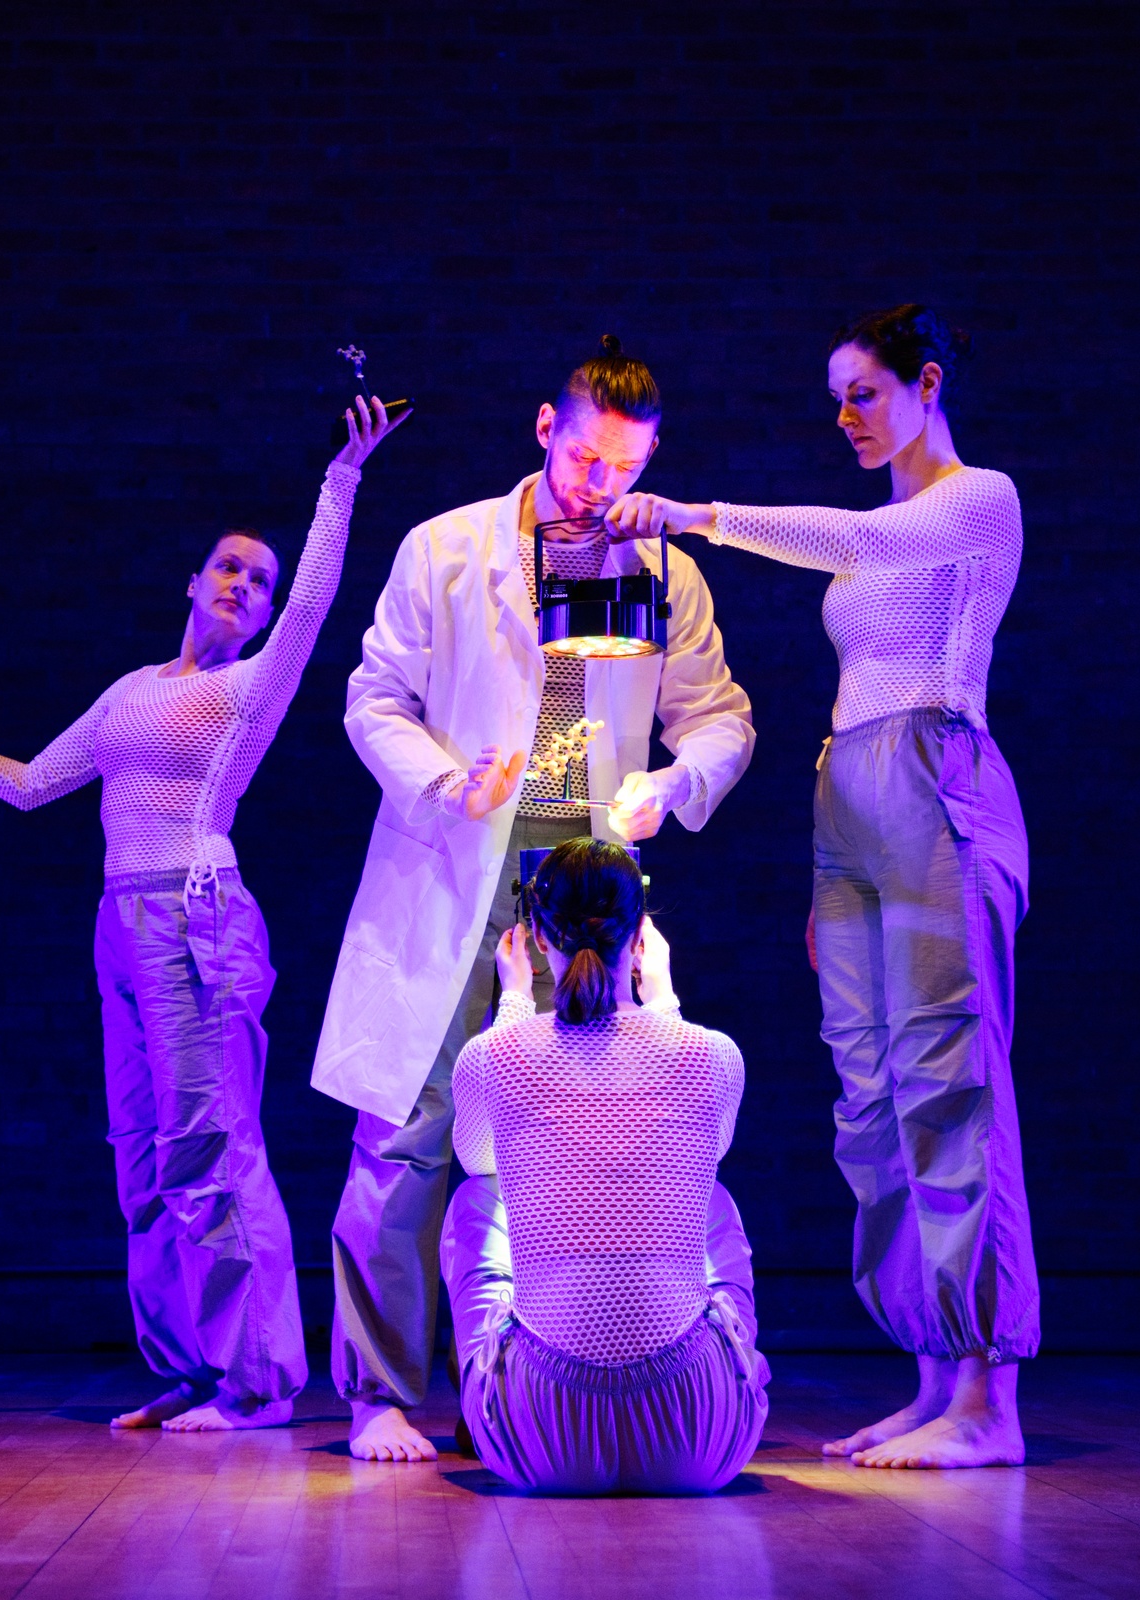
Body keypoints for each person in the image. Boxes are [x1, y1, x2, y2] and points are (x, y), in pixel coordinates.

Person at [0, 396, 407, 1433]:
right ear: (191, 583)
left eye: (259, 579)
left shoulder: (250, 686)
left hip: (197, 919)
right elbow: (29, 786)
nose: (244, 585)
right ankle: (194, 1366)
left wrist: (343, 476)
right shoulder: (127, 692)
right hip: (119, 925)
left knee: (210, 1144)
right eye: (228, 568)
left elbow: (315, 601)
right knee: (143, 1158)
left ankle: (257, 1382)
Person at [603, 305, 1035, 1470]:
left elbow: (862, 544)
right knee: (867, 1096)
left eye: (863, 392)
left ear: (925, 384)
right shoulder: (880, 526)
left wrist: (697, 515)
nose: (844, 415)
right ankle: (932, 1373)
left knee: (947, 1076)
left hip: (935, 778)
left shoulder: (975, 500)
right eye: (835, 398)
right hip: (846, 800)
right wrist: (823, 868)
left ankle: (987, 1398)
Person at [315, 337, 756, 1463]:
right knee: (409, 1131)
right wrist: (442, 780)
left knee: (573, 1134)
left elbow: (719, 717)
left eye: (627, 468)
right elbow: (374, 698)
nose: (601, 485)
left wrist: (674, 784)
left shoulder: (663, 571)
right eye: (586, 457)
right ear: (544, 428)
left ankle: (517, 1382)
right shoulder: (445, 547)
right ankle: (377, 1391)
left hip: (580, 875)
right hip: (455, 857)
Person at [442, 839, 767, 1494]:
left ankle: (495, 1387)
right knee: (712, 1197)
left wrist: (513, 1003)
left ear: (536, 936)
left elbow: (481, 1160)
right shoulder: (714, 1055)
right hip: (698, 1436)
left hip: (539, 1436)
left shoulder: (491, 1056)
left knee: (477, 1200)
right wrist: (665, 1001)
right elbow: (705, 1152)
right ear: (641, 935)